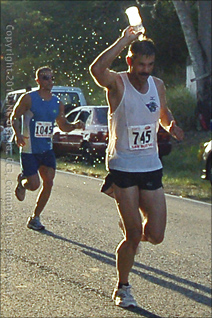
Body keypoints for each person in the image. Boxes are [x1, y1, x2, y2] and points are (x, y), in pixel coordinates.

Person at [89, 27, 184, 308]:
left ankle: (130, 224)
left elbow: (162, 112)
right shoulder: (117, 83)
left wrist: (171, 126)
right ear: (130, 61)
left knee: (155, 235)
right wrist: (125, 39)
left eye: (150, 65)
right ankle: (123, 286)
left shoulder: (158, 85)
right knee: (132, 236)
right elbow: (96, 69)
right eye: (140, 64)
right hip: (123, 166)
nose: (145, 70)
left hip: (151, 166)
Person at [11, 66, 85, 231]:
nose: (49, 81)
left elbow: (63, 125)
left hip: (46, 149)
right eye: (45, 78)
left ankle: (35, 217)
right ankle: (22, 182)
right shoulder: (28, 98)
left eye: (51, 78)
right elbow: (14, 117)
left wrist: (74, 126)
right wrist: (17, 134)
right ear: (38, 80)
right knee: (34, 184)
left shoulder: (58, 103)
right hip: (29, 149)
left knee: (49, 182)